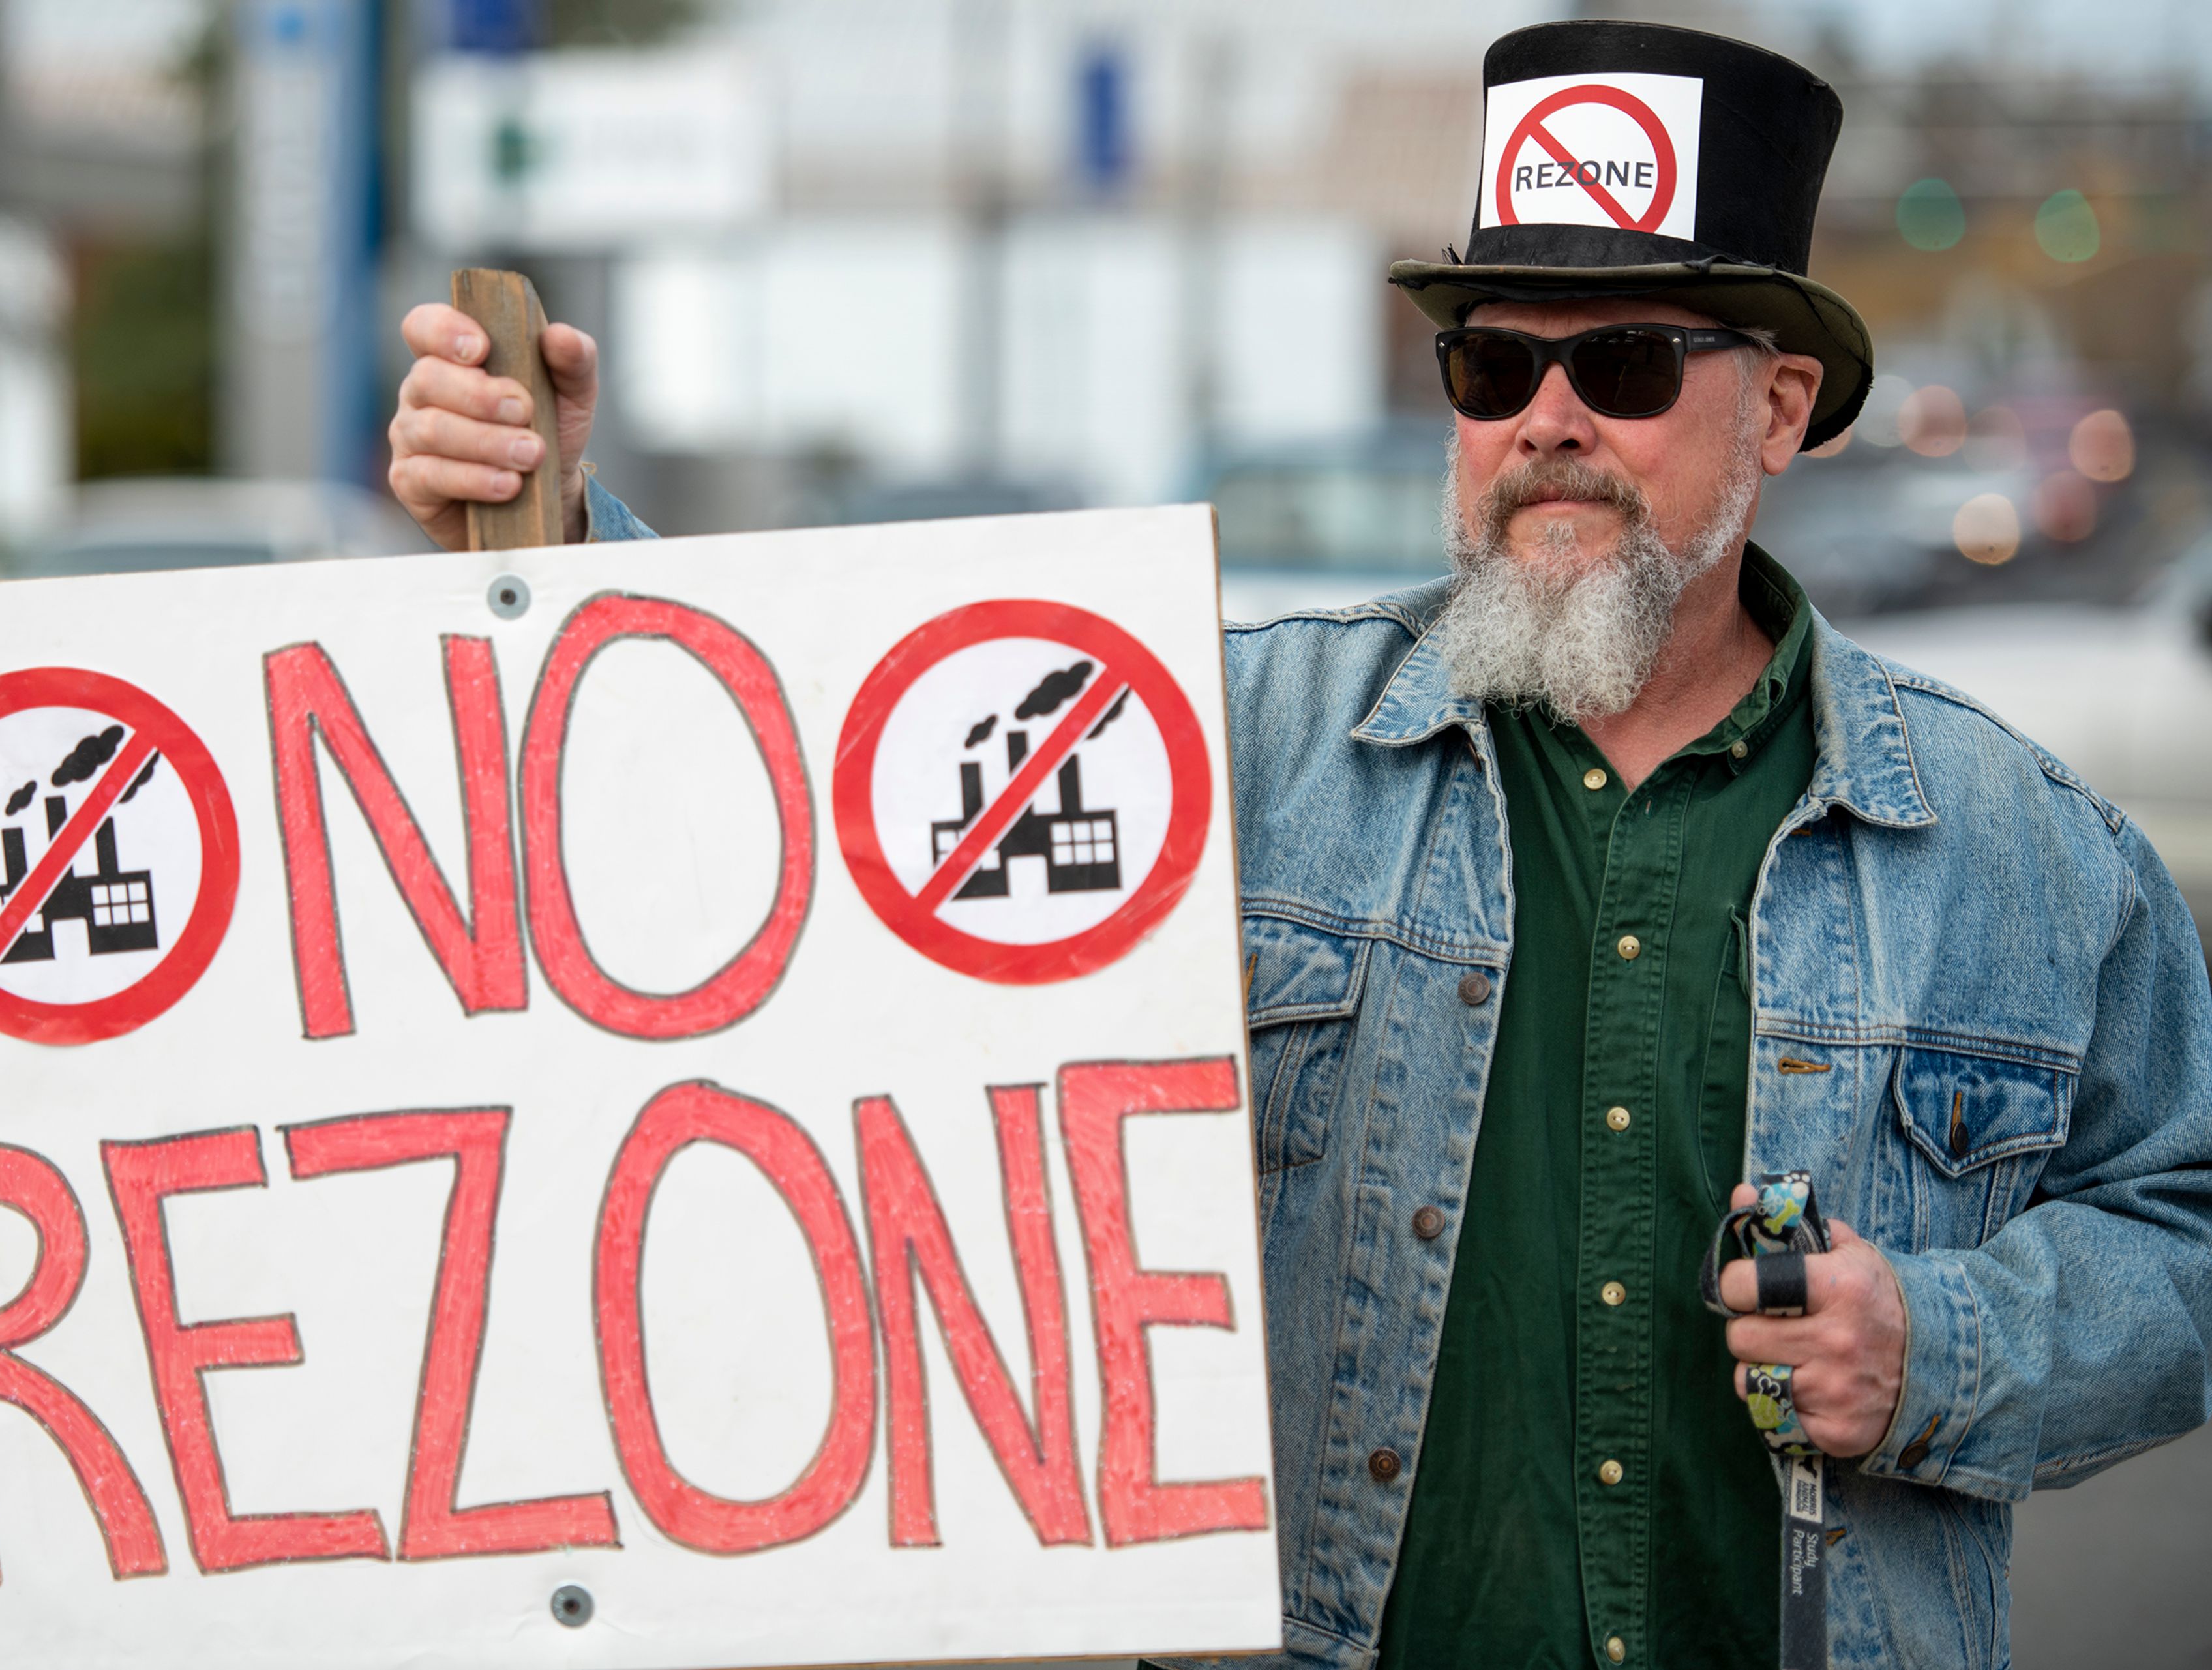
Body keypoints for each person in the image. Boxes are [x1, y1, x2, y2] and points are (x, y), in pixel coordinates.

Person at [385, 21, 2212, 1669]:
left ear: (1785, 408)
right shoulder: (1231, 745)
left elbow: (2181, 1230)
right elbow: (824, 786)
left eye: (1631, 361)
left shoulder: (2013, 846)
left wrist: (1941, 1347)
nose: (1547, 422)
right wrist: (551, 521)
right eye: (1493, 363)